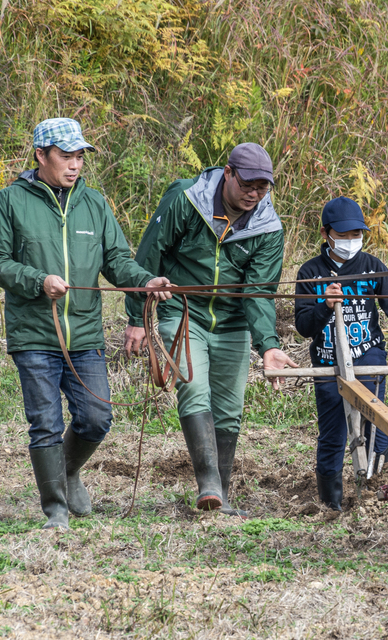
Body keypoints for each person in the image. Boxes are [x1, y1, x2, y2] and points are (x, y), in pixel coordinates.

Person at [0, 118, 173, 530]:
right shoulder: (9, 201)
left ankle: (66, 473)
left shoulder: (95, 204)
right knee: (45, 423)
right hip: (34, 334)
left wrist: (145, 282)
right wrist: (37, 281)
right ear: (40, 155)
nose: (74, 165)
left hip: (84, 333)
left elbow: (118, 261)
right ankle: (55, 509)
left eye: (80, 156)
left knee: (97, 417)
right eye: (65, 156)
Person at [123, 143, 297, 516]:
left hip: (233, 323)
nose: (253, 194)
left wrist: (268, 345)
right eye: (248, 184)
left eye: (262, 188)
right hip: (183, 312)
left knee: (230, 409)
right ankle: (208, 484)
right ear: (229, 173)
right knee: (194, 388)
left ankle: (223, 497)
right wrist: (137, 318)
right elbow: (149, 255)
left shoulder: (268, 228)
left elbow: (258, 292)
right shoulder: (185, 199)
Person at [294, 196, 388, 511]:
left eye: (357, 235)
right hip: (328, 363)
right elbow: (303, 326)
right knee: (333, 434)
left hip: (367, 357)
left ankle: (375, 492)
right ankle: (331, 503)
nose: (351, 241)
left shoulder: (371, 267)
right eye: (343, 235)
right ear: (326, 234)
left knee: (376, 424)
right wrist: (324, 305)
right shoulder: (310, 272)